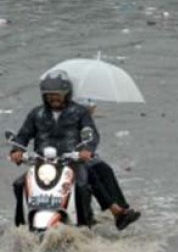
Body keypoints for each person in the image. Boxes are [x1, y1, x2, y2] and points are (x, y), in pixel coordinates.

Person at [9, 70, 141, 230]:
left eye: (58, 94)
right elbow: (23, 135)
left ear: (67, 93)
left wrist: (86, 150)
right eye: (50, 94)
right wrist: (16, 150)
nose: (54, 98)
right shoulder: (36, 113)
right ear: (44, 95)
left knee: (82, 184)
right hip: (43, 162)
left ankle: (85, 225)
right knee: (19, 184)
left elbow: (91, 134)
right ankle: (20, 227)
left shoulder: (79, 112)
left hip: (72, 160)